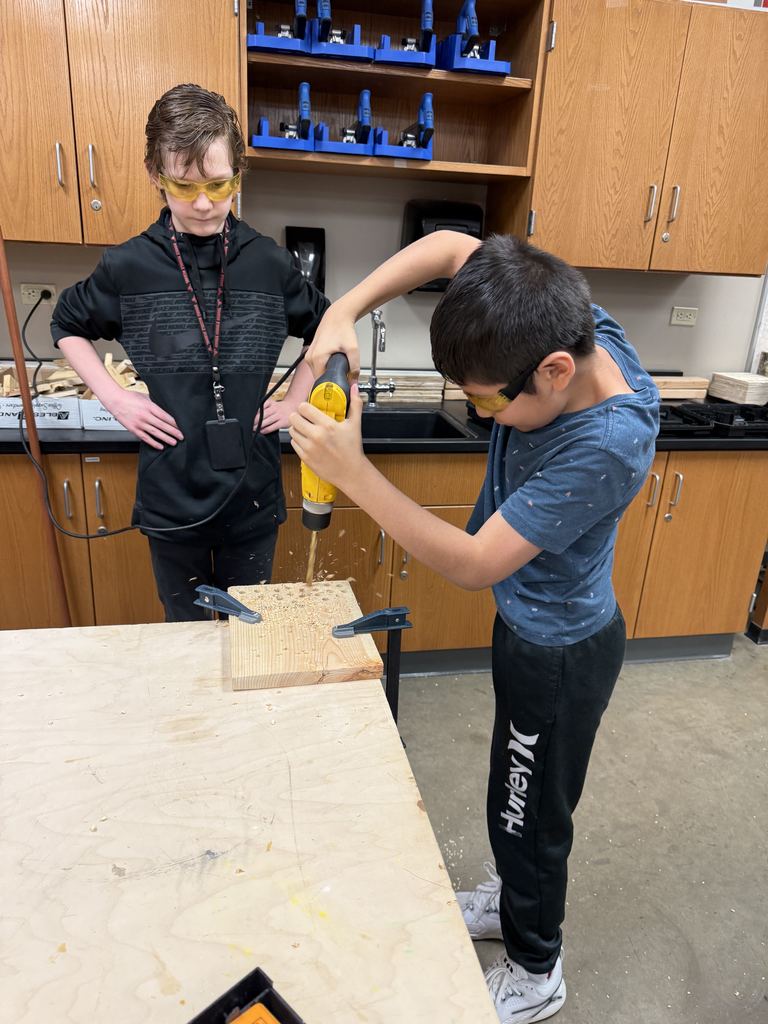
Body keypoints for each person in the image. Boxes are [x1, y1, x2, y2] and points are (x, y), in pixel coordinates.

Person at [290, 232, 659, 1023]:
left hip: (559, 650)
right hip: (528, 624)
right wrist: (342, 311)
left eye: (489, 401)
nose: (481, 413)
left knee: (533, 814)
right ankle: (509, 902)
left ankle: (537, 969)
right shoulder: (559, 321)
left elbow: (471, 562)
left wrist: (354, 472)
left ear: (554, 372)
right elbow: (457, 245)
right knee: (510, 795)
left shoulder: (607, 442)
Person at [51, 83, 327, 621]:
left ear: (238, 174)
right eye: (184, 185)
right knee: (188, 643)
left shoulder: (269, 264)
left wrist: (295, 400)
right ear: (156, 174)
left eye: (220, 184)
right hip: (172, 501)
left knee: (249, 638)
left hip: (252, 496)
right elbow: (66, 324)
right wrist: (115, 399)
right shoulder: (129, 267)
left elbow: (328, 326)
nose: (203, 203)